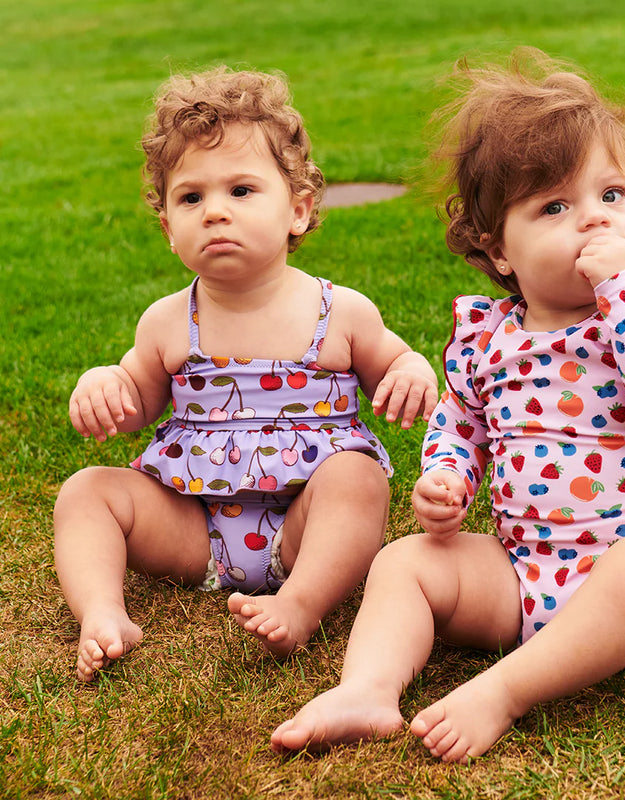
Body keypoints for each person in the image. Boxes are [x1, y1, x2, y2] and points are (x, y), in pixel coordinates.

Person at [269, 48, 625, 763]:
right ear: (498, 250)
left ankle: (503, 692)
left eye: (613, 195)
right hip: (524, 576)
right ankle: (368, 687)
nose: (596, 221)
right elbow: (461, 425)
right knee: (407, 563)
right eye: (555, 206)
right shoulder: (489, 338)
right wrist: (447, 478)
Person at [53, 67, 438, 683]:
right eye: (191, 198)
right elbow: (136, 402)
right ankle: (102, 612)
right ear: (168, 229)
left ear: (299, 211)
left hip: (303, 525)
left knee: (359, 480)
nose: (214, 213)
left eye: (241, 191)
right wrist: (104, 384)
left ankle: (301, 602)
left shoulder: (339, 311)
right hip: (193, 526)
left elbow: (392, 360)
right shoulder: (167, 323)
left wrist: (412, 369)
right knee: (85, 492)